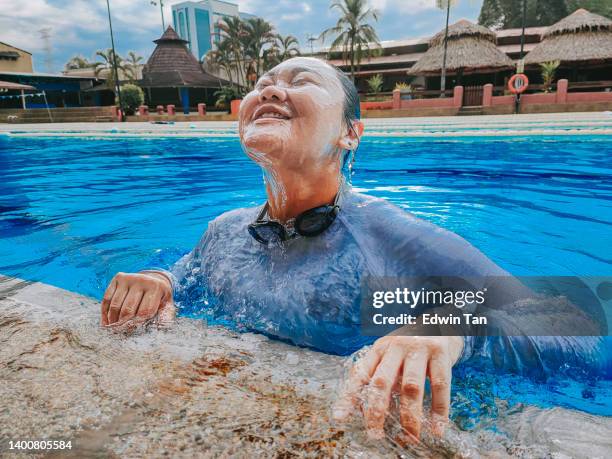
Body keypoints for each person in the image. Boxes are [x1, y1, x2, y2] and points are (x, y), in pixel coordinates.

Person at [101, 57, 611, 442]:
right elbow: (192, 272)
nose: (271, 89)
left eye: (300, 82)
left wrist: (449, 329)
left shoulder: (390, 240)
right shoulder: (226, 231)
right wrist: (159, 278)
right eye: (260, 86)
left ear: (350, 133)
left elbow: (571, 323)